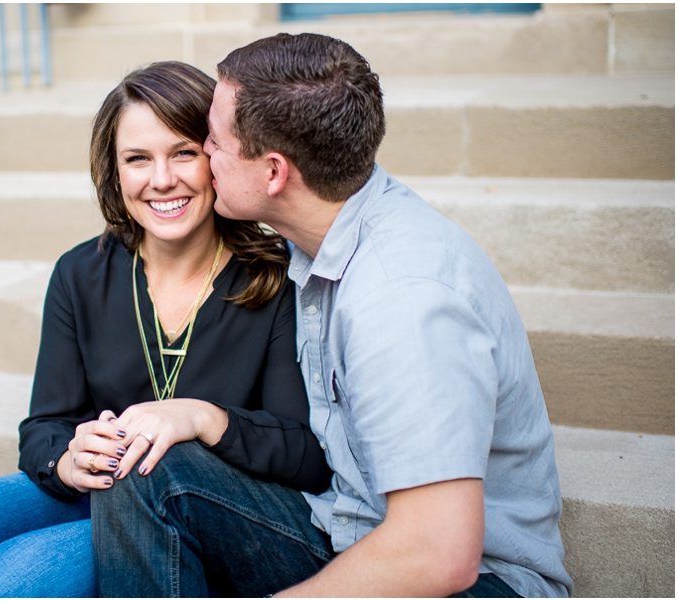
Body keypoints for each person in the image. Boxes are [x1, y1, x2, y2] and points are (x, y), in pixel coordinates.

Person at [93, 33, 574, 597]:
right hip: (344, 528)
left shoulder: (401, 298)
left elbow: (437, 555)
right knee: (148, 472)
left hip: (476, 584)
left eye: (214, 141)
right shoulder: (321, 241)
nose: (202, 154)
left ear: (273, 172)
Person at [0, 60, 332, 598]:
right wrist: (68, 458)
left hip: (206, 508)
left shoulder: (274, 278)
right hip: (97, 487)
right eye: (137, 158)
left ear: (217, 157)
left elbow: (306, 455)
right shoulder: (80, 272)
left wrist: (205, 419)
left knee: (13, 583)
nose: (161, 180)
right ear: (115, 171)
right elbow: (45, 424)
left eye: (183, 152)